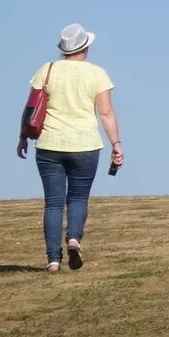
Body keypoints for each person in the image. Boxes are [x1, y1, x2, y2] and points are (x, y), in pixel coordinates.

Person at [18, 25, 123, 274]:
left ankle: (53, 260)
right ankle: (74, 239)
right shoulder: (97, 74)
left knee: (53, 203)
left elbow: (31, 107)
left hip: (49, 144)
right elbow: (106, 112)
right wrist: (116, 144)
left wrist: (23, 137)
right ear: (85, 48)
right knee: (78, 198)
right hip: (85, 145)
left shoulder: (47, 69)